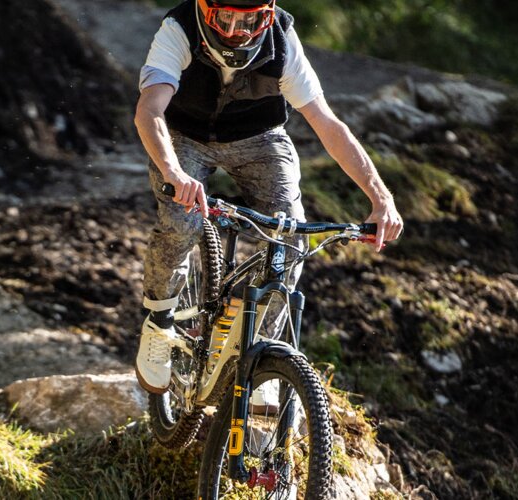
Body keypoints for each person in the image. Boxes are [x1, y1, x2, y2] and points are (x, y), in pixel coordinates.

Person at [134, 0, 404, 394]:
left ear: (267, 15)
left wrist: (381, 199)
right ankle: (158, 321)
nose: (237, 31)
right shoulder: (179, 28)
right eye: (225, 19)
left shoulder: (281, 37)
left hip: (258, 139)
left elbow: (327, 123)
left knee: (290, 238)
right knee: (181, 220)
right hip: (184, 137)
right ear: (206, 12)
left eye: (250, 20)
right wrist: (173, 172)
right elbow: (149, 110)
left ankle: (261, 358)